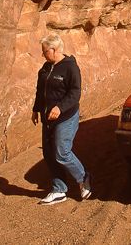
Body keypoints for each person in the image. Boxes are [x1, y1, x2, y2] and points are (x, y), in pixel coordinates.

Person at [32, 33, 92, 204]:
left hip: (66, 116)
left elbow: (75, 93)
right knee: (49, 154)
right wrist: (36, 110)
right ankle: (59, 190)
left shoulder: (70, 67)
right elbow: (40, 91)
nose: (43, 54)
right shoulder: (45, 68)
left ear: (54, 49)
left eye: (44, 51)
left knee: (61, 152)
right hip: (47, 118)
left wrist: (60, 107)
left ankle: (83, 178)